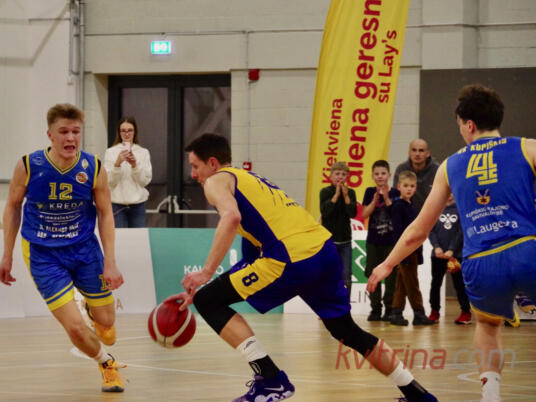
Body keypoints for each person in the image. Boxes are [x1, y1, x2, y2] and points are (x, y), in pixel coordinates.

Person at [165, 133, 437, 402]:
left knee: (208, 301)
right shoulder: (250, 181)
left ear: (213, 163)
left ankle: (271, 380)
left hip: (291, 258)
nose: (193, 174)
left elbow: (231, 217)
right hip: (323, 251)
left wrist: (206, 273)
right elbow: (250, 257)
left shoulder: (215, 181)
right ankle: (417, 394)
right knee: (346, 330)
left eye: (195, 166)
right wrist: (211, 284)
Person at [367, 84, 536, 402]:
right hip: (527, 250)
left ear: (469, 124)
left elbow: (418, 230)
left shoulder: (450, 166)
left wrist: (387, 264)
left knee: (488, 326)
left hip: (481, 262)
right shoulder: (527, 148)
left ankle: (491, 396)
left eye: (459, 124)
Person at [0, 104, 125, 392]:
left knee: (107, 326)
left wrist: (110, 261)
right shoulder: (29, 165)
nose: (70, 138)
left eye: (76, 132)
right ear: (50, 135)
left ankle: (95, 312)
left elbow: (106, 213)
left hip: (84, 250)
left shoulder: (93, 167)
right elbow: (12, 207)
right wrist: (6, 254)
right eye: (64, 132)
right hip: (43, 254)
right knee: (75, 328)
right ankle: (107, 364)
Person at [389, 171, 434, 326]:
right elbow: (398, 232)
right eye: (405, 185)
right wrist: (402, 254)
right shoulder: (398, 206)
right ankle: (419, 313)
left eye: (412, 186)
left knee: (402, 283)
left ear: (416, 188)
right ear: (399, 187)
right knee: (412, 284)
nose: (409, 189)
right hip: (406, 250)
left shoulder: (412, 205)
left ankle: (396, 312)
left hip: (413, 249)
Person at [361, 160, 400, 321]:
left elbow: (396, 214)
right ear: (372, 176)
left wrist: (386, 198)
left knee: (391, 277)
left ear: (389, 175)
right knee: (373, 274)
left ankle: (389, 309)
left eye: (383, 173)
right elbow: (364, 214)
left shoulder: (395, 193)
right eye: (376, 174)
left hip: (391, 242)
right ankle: (375, 309)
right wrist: (375, 199)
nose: (380, 176)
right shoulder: (369, 191)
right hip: (373, 241)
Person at [427, 194, 471, 325]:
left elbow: (461, 232)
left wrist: (452, 249)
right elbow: (430, 230)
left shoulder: (460, 209)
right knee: (436, 284)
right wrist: (436, 247)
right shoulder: (435, 209)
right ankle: (434, 311)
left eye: (451, 191)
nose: (449, 194)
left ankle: (466, 312)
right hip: (438, 255)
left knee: (459, 284)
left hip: (456, 255)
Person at [104, 116, 152, 228]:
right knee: (119, 237)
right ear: (119, 133)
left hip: (138, 205)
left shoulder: (143, 152)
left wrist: (135, 165)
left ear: (135, 132)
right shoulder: (110, 152)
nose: (126, 134)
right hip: (117, 204)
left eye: (130, 130)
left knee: (138, 237)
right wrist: (117, 164)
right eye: (123, 131)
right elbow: (109, 182)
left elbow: (144, 181)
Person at [319, 161, 357, 298]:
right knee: (328, 273)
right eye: (337, 174)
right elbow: (325, 212)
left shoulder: (350, 192)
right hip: (329, 241)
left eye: (343, 174)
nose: (340, 177)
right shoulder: (325, 192)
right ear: (331, 176)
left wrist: (345, 196)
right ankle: (327, 302)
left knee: (346, 274)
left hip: (345, 241)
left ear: (347, 177)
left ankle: (345, 303)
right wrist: (336, 195)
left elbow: (353, 213)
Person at [393, 139, 439, 211]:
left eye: (421, 150)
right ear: (409, 152)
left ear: (428, 153)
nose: (417, 154)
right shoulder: (401, 169)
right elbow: (395, 195)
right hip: (406, 213)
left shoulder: (437, 170)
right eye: (414, 150)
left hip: (431, 213)